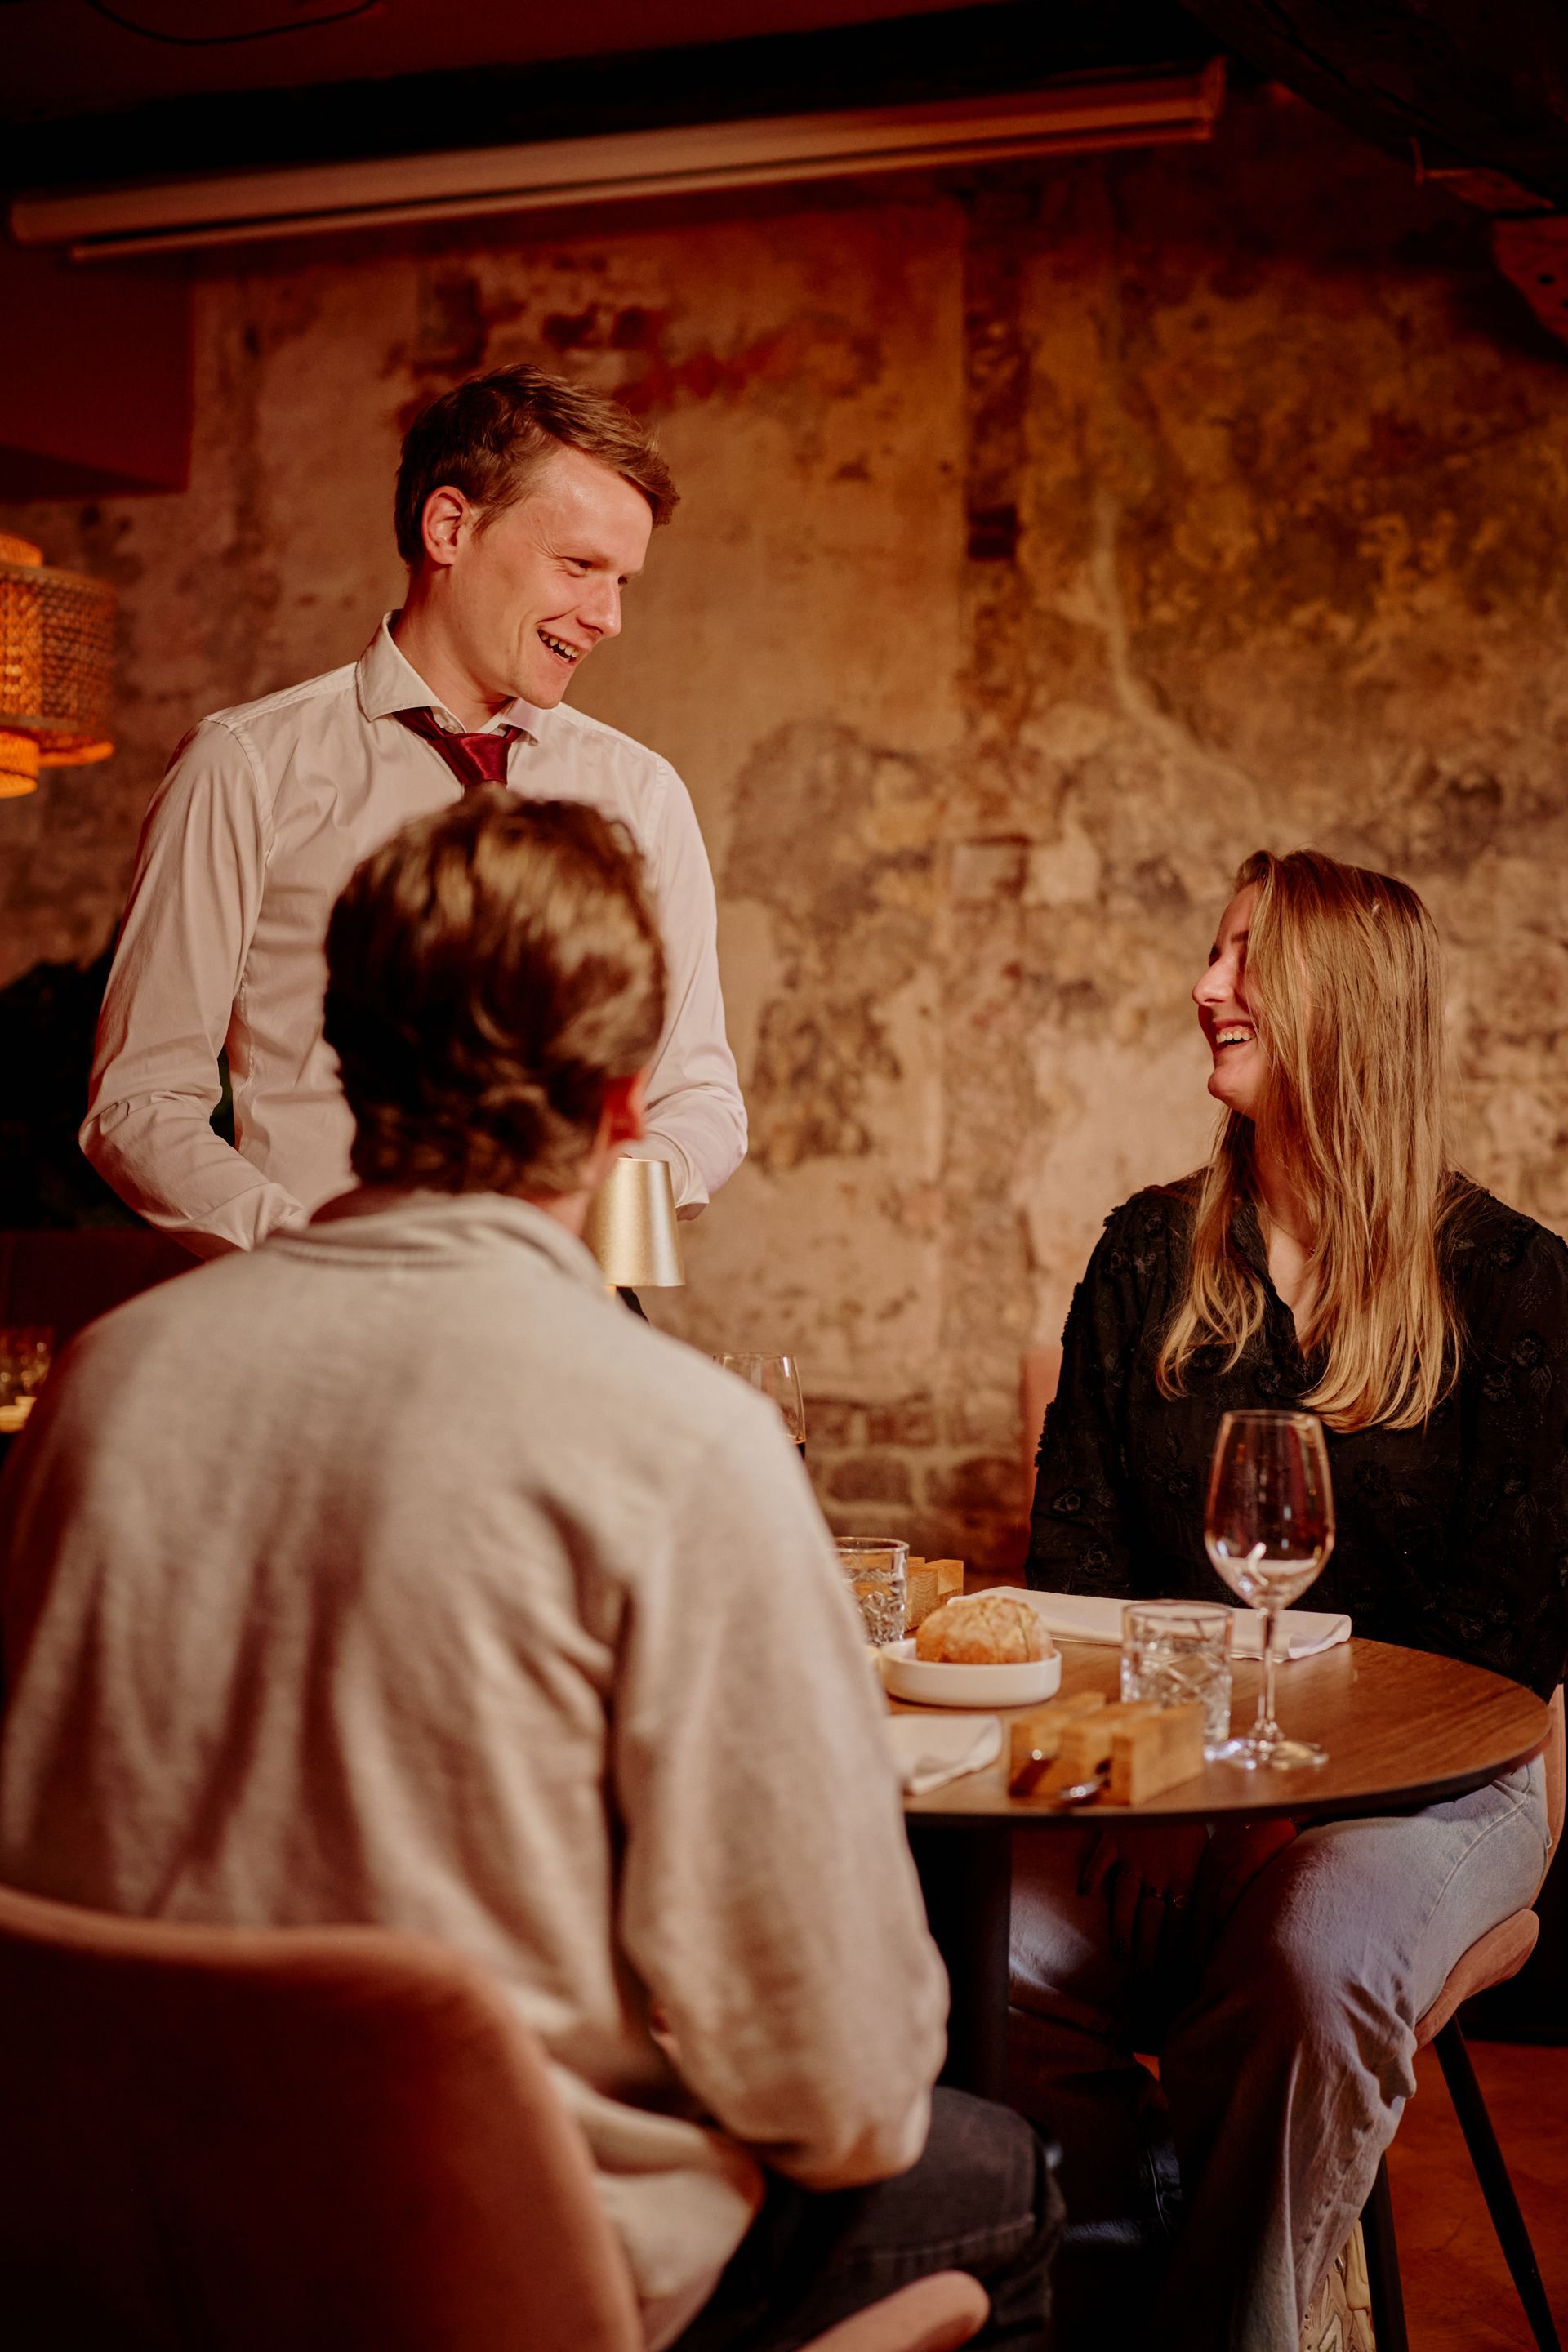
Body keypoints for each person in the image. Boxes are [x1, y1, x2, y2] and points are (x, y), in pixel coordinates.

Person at [2, 794, 1058, 2352]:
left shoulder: (103, 1384)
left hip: (105, 2261)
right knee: (1005, 2174)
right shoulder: (680, 1443)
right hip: (478, 2284)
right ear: (628, 1101)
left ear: (337, 1051)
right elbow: (841, 2097)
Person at [1012, 848, 1566, 2351]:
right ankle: (1159, 2265)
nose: (1206, 989)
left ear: (1345, 1006)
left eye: (1245, 961)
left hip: (1441, 1790)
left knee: (1309, 1961)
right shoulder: (1144, 1255)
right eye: (1213, 953)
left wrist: (1273, 1801)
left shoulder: (1518, 1289)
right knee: (982, 1956)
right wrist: (1177, 1786)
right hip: (1175, 1774)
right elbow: (1074, 1573)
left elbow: (1497, 1646)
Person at [82, 364, 746, 1258]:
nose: (608, 617)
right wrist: (313, 1256)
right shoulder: (245, 768)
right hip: (322, 1328)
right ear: (449, 526)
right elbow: (140, 1102)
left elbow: (697, 1096)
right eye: (581, 566)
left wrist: (589, 1242)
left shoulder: (644, 793)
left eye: (623, 580)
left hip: (562, 1324)